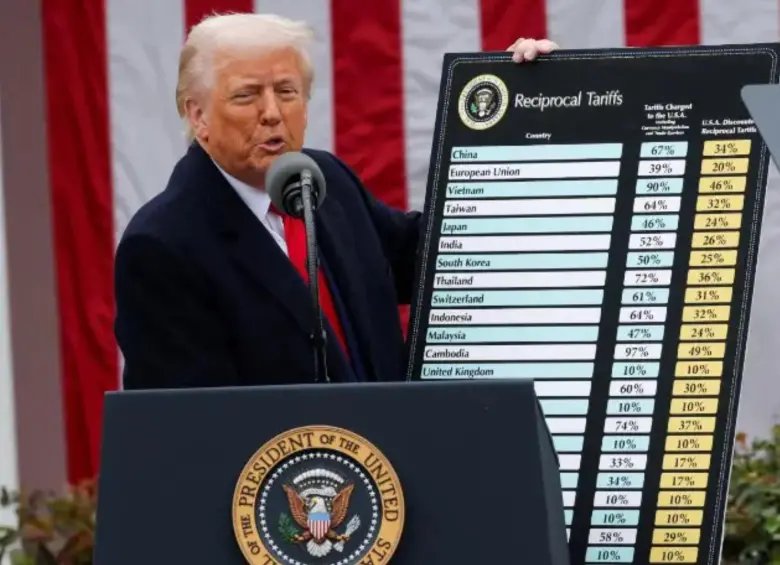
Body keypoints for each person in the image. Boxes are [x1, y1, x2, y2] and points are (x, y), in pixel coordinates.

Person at [114, 13, 559, 389]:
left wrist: (523, 109)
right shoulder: (162, 246)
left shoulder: (325, 182)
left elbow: (439, 257)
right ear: (198, 115)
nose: (271, 112)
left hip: (396, 471)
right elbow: (191, 432)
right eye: (247, 95)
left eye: (286, 92)